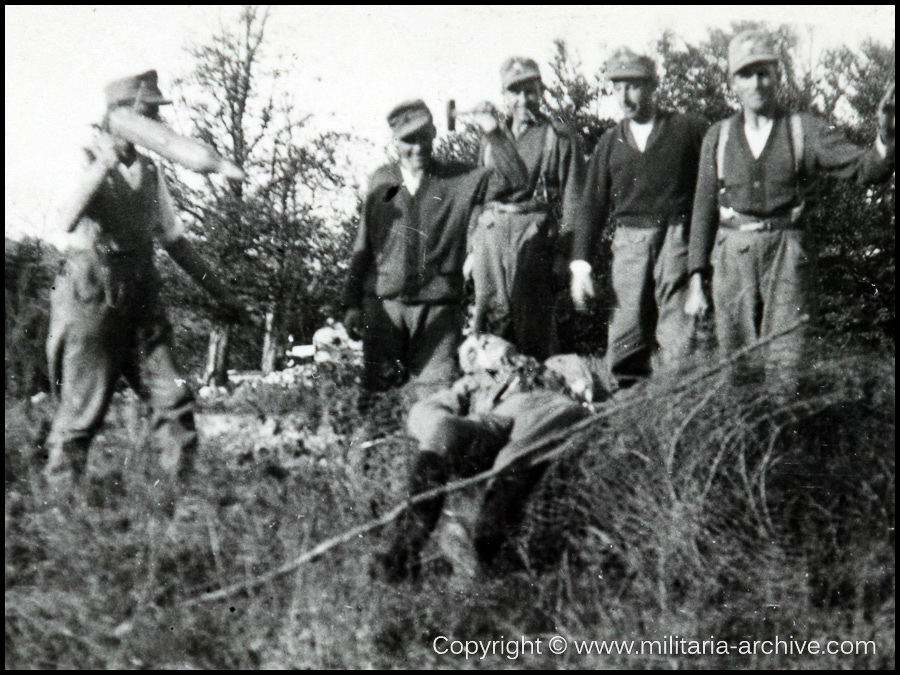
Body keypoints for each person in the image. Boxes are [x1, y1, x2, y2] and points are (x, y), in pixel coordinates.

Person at [45, 70, 246, 491]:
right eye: (148, 111)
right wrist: (105, 161)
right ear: (122, 114)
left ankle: (180, 507)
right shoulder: (82, 155)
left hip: (142, 290)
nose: (156, 118)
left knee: (173, 401)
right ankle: (61, 516)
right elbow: (65, 220)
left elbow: (176, 242)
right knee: (82, 412)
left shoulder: (152, 171)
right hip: (91, 292)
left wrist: (222, 293)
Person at [684, 30, 895, 387]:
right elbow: (703, 209)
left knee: (788, 364)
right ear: (733, 82)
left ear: (778, 76)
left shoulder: (804, 129)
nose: (757, 83)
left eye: (764, 72)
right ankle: (746, 443)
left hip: (788, 257)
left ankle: (785, 441)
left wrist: (887, 138)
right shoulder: (717, 137)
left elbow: (866, 169)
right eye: (746, 74)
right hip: (732, 258)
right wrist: (695, 280)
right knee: (736, 367)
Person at [373, 334, 607, 582]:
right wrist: (444, 435)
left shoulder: (555, 363)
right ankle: (402, 552)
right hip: (493, 418)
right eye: (471, 352)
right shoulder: (471, 384)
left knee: (513, 457)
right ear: (470, 367)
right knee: (445, 429)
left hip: (548, 407)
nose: (481, 344)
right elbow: (423, 413)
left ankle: (485, 550)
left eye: (484, 339)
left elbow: (594, 392)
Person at [343, 99, 527, 398]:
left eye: (424, 137)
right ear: (395, 142)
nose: (417, 147)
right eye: (408, 140)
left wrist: (493, 132)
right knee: (377, 399)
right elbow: (363, 243)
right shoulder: (381, 180)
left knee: (435, 398)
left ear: (434, 134)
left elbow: (517, 181)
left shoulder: (460, 179)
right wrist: (350, 303)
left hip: (438, 311)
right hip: (385, 308)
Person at [571, 48, 708, 389]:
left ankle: (679, 402)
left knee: (679, 333)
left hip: (676, 239)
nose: (624, 96)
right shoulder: (609, 142)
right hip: (629, 244)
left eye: (633, 86)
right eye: (617, 87)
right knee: (626, 331)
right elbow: (591, 204)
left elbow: (715, 178)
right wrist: (581, 266)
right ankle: (626, 407)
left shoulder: (687, 129)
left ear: (652, 86)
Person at [469, 56, 586, 360]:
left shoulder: (560, 137)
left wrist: (566, 256)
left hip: (533, 236)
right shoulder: (491, 135)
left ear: (541, 92)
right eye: (514, 92)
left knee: (534, 327)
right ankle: (489, 399)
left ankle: (541, 400)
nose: (523, 100)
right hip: (490, 237)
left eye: (530, 91)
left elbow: (576, 202)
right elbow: (479, 196)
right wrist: (470, 248)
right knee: (489, 325)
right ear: (504, 96)